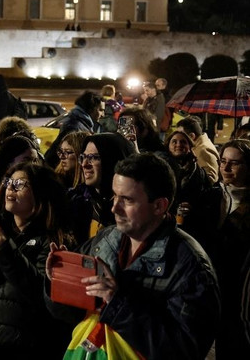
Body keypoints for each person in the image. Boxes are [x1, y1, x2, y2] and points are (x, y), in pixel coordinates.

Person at [45, 153, 220, 359]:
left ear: (159, 206)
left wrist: (116, 301)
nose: (114, 208)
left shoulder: (190, 266)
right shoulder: (104, 239)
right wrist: (58, 281)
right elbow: (69, 315)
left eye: (126, 200)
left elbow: (185, 350)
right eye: (114, 196)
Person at [0, 162, 73, 358]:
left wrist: (5, 254)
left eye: (20, 184)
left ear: (40, 192)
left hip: (27, 347)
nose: (10, 187)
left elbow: (42, 292)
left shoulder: (52, 240)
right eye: (9, 182)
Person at [213, 140, 250, 356]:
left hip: (240, 289)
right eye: (223, 162)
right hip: (214, 285)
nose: (225, 169)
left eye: (234, 164)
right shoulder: (211, 196)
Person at [67, 133, 135, 245]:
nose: (84, 164)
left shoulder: (131, 209)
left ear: (113, 160)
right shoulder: (77, 201)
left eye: (93, 158)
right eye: (83, 157)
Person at [0, 134, 43, 214]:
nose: (32, 165)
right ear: (9, 161)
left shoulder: (39, 185)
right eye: (26, 160)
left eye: (35, 160)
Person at [44, 91, 103, 168]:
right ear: (92, 109)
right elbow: (55, 155)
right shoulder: (74, 126)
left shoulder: (82, 123)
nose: (103, 114)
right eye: (100, 110)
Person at [176, 116, 219, 183]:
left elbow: (210, 179)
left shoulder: (203, 150)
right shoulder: (198, 146)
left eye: (181, 135)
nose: (178, 138)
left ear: (192, 136)